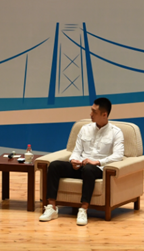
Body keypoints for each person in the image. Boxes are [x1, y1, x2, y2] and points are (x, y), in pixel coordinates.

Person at [38, 97, 124, 226]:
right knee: (54, 165)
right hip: (80, 167)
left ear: (104, 115)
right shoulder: (84, 129)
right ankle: (52, 208)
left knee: (89, 169)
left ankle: (83, 209)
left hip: (98, 169)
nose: (90, 114)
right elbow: (76, 150)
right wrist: (74, 160)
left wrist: (98, 162)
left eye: (94, 112)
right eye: (91, 110)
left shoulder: (116, 133)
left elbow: (118, 155)